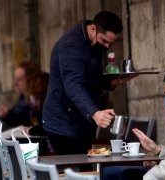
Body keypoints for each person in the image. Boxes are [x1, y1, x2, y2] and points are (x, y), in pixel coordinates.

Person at [43, 11, 135, 156]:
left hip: (81, 122)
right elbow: (73, 84)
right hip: (64, 124)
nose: (107, 46)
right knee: (77, 172)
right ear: (93, 29)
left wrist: (114, 81)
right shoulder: (71, 47)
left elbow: (89, 79)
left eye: (111, 43)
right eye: (104, 41)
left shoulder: (91, 43)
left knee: (87, 168)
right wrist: (94, 112)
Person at [0, 61, 41, 127]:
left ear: (31, 80)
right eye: (15, 79)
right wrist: (6, 114)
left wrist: (8, 115)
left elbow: (34, 122)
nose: (15, 84)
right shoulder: (24, 97)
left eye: (19, 79)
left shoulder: (39, 100)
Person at [23, 72, 49, 136]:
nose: (30, 96)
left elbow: (47, 129)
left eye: (32, 93)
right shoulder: (36, 110)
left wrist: (32, 130)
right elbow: (35, 123)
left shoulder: (48, 110)